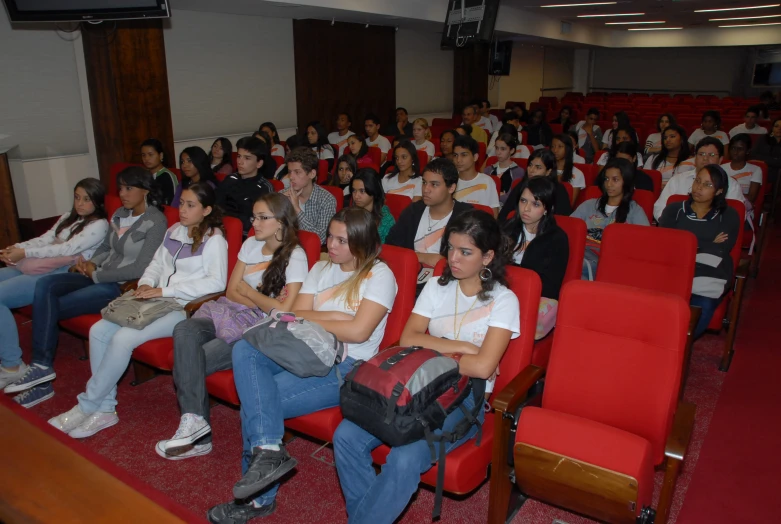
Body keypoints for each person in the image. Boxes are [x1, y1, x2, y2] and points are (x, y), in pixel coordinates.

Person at [206, 208, 398, 524]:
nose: (331, 245)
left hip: (346, 364)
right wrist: (338, 318)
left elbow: (358, 332)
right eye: (330, 237)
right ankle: (268, 452)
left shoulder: (378, 275)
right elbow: (295, 315)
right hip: (303, 347)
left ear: (361, 242)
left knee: (258, 404)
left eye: (341, 240)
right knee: (245, 349)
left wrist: (321, 319)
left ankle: (258, 499)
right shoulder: (322, 268)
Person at [333, 210, 519, 524]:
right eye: (450, 248)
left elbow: (485, 366)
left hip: (464, 399)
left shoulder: (504, 300)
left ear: (488, 257)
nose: (454, 258)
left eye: (465, 252)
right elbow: (408, 337)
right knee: (345, 435)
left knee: (405, 459)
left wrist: (435, 346)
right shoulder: (437, 286)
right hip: (416, 385)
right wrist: (463, 348)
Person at [48, 183, 228, 438]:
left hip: (183, 308)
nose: (183, 211)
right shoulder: (175, 231)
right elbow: (155, 265)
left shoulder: (214, 239)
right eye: (182, 204)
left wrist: (164, 291)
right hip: (153, 301)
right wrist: (145, 284)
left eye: (191, 205)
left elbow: (216, 283)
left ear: (207, 210)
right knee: (99, 330)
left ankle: (86, 405)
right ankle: (105, 409)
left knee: (123, 338)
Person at [158, 193, 308, 460]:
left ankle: (199, 435)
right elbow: (231, 290)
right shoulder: (250, 244)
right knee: (184, 330)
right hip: (226, 312)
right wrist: (261, 297)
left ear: (282, 223)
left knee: (193, 359)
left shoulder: (295, 255)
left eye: (263, 218)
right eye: (254, 217)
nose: (255, 223)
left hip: (256, 329)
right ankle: (196, 425)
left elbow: (283, 311)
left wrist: (249, 294)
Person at [5, 167, 167, 406]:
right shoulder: (121, 214)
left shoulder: (156, 221)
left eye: (129, 188)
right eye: (120, 188)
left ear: (145, 190)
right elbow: (106, 248)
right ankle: (41, 367)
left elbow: (140, 268)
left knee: (50, 305)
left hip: (117, 286)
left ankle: (42, 379)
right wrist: (90, 263)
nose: (122, 193)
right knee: (46, 285)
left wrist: (98, 274)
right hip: (95, 274)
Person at [0, 179, 108, 390]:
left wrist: (24, 253)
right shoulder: (69, 217)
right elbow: (45, 239)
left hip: (61, 272)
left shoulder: (99, 224)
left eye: (87, 199)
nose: (80, 204)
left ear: (97, 201)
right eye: (77, 197)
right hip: (38, 264)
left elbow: (66, 249)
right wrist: (17, 247)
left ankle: (13, 365)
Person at [658, 165, 740, 339]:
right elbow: (665, 244)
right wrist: (707, 243)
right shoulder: (674, 209)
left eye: (708, 185)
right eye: (697, 181)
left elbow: (721, 249)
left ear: (719, 191)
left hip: (709, 276)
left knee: (702, 306)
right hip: (674, 271)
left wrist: (686, 241)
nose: (699, 187)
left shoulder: (728, 214)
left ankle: (678, 346)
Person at [503, 176, 569, 339]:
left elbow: (551, 286)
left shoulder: (557, 238)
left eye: (535, 204)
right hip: (502, 292)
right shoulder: (508, 228)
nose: (526, 209)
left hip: (533, 297)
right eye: (523, 201)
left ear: (547, 208)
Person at [385, 158, 472, 272]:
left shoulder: (466, 217)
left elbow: (469, 259)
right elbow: (390, 248)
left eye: (434, 184)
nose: (426, 189)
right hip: (410, 275)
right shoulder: (413, 211)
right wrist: (424, 257)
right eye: (424, 182)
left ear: (451, 188)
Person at [571, 158, 650, 280]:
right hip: (581, 255)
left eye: (615, 180)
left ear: (627, 182)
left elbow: (645, 244)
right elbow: (569, 231)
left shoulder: (635, 211)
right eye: (606, 179)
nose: (609, 184)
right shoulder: (589, 205)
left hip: (613, 262)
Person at [654, 137, 745, 221]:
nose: (705, 158)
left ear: (721, 159)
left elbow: (739, 216)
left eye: (712, 155)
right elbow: (660, 208)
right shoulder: (678, 180)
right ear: (695, 157)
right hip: (680, 230)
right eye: (701, 154)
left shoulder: (731, 185)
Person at [216, 136, 274, 234]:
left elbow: (261, 222)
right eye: (239, 156)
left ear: (259, 163)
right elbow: (216, 206)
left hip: (246, 237)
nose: (240, 162)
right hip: (221, 230)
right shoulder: (230, 179)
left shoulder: (264, 188)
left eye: (247, 158)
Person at [281, 147, 337, 244]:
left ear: (312, 174)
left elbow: (321, 239)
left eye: (297, 172)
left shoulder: (327, 200)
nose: (291, 177)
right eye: (290, 172)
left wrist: (296, 209)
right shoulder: (282, 195)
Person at [499, 149, 572, 222]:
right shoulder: (522, 185)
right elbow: (504, 214)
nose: (531, 170)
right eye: (530, 165)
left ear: (548, 171)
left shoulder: (558, 190)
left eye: (538, 167)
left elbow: (563, 220)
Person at [452, 134, 500, 216]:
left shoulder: (487, 182)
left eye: (464, 155)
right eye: (455, 155)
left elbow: (494, 215)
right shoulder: (449, 180)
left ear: (475, 157)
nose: (458, 160)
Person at [350, 168, 395, 243]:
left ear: (373, 191)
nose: (356, 196)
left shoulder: (387, 221)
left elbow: (387, 250)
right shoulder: (350, 214)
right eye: (354, 190)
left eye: (362, 191)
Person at [722, 134, 763, 208]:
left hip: (742, 206)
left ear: (748, 151)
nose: (736, 152)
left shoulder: (755, 170)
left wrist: (728, 195)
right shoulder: (721, 168)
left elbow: (751, 197)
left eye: (740, 149)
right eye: (733, 148)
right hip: (721, 204)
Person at [483, 133, 525, 199]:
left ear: (512, 150)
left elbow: (511, 198)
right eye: (496, 148)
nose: (498, 152)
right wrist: (499, 194)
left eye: (503, 149)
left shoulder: (518, 172)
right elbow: (482, 193)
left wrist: (493, 194)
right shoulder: (488, 170)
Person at [141, 138, 178, 206]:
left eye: (150, 154)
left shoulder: (167, 176)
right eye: (143, 155)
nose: (146, 158)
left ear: (161, 155)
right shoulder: (142, 175)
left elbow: (171, 205)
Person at [551, 133, 585, 205]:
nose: (555, 150)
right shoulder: (546, 169)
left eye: (560, 147)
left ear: (568, 149)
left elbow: (570, 203)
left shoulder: (577, 173)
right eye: (553, 146)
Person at [750, 117, 781, 186]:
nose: (779, 128)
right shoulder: (763, 138)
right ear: (772, 128)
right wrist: (774, 160)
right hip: (760, 169)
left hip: (777, 172)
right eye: (776, 126)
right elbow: (753, 155)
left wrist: (764, 161)